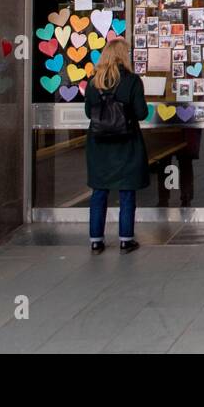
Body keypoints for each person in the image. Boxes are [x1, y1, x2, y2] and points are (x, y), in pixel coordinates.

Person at [83, 38, 149, 254]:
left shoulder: (94, 82)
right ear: (124, 56)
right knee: (126, 191)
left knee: (99, 191)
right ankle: (126, 239)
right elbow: (141, 113)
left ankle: (96, 240)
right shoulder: (131, 81)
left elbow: (88, 113)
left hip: (99, 145)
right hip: (126, 143)